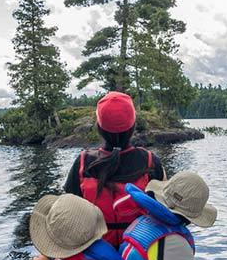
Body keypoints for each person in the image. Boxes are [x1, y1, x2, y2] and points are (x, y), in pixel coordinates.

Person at [62, 92, 166, 247]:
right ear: (133, 127)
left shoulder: (83, 162)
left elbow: (69, 212)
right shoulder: (150, 162)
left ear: (99, 128)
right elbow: (166, 210)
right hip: (140, 254)